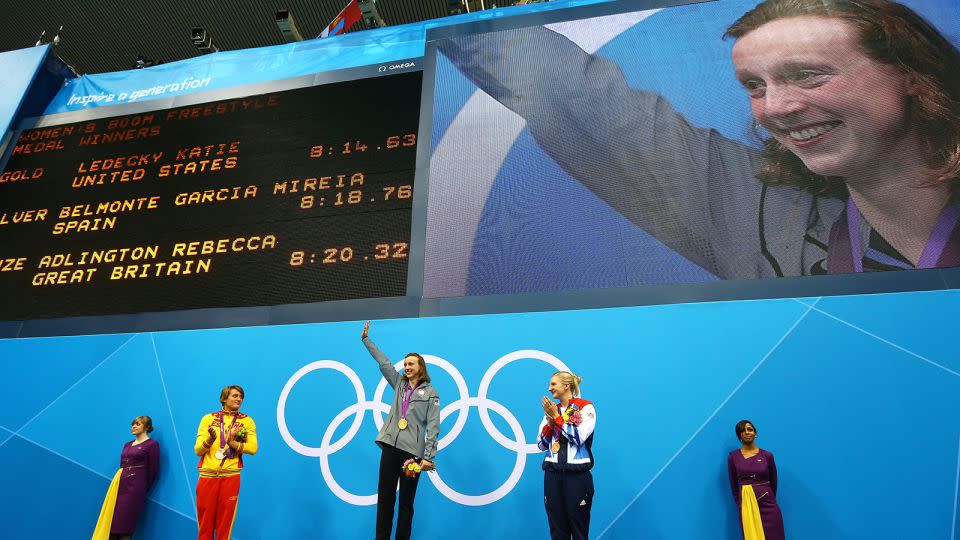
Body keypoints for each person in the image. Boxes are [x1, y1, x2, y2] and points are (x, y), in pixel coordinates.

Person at [437, 0, 960, 281]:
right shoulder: (762, 219)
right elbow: (579, 100)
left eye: (809, 75)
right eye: (755, 86)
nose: (774, 108)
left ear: (909, 74)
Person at [361, 320, 440, 540]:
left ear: (420, 367)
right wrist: (366, 340)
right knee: (385, 499)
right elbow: (384, 363)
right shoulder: (399, 384)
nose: (406, 367)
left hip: (412, 455)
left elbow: (434, 426)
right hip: (390, 448)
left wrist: (428, 456)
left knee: (406, 503)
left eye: (411, 364)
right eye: (405, 363)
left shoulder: (431, 393)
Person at [536, 371, 597, 540]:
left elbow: (578, 438)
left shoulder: (585, 407)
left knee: (579, 531)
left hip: (577, 477)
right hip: (552, 476)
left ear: (566, 385)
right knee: (557, 532)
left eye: (553, 384)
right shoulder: (551, 410)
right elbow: (541, 445)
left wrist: (557, 419)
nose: (549, 388)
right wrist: (549, 424)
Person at [194, 385, 258, 540]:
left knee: (225, 524)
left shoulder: (246, 421)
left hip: (231, 476)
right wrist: (210, 439)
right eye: (235, 396)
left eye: (241, 396)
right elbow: (198, 450)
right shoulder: (208, 419)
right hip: (207, 476)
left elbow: (253, 448)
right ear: (224, 398)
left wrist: (233, 443)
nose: (239, 399)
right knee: (205, 525)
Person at [92, 416, 160, 540]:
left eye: (138, 424)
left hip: (134, 490)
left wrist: (141, 487)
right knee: (111, 524)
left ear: (147, 427)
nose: (133, 426)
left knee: (125, 527)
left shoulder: (152, 445)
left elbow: (153, 471)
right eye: (133, 424)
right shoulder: (127, 444)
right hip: (118, 487)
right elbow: (122, 465)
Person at [727, 420, 785, 540]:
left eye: (750, 429)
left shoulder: (767, 456)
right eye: (742, 431)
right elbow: (734, 486)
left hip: (769, 506)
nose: (746, 432)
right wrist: (742, 505)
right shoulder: (733, 457)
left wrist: (768, 497)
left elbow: (774, 483)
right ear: (739, 436)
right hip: (747, 506)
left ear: (755, 434)